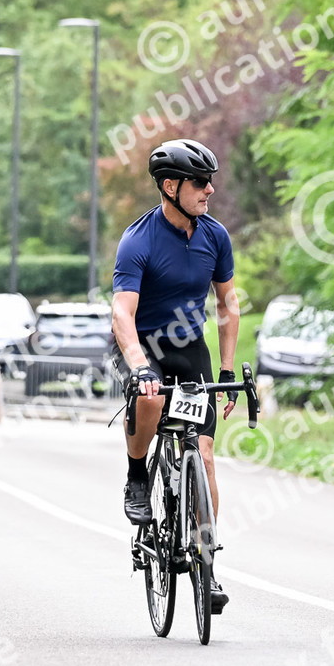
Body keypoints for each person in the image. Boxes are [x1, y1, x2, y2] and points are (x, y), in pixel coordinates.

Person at [112, 139, 239, 615]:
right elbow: (121, 314)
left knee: (203, 456)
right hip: (143, 345)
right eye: (200, 182)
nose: (210, 190)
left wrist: (227, 369)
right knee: (150, 399)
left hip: (188, 350)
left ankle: (207, 563)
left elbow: (227, 304)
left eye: (210, 181)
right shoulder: (138, 240)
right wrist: (140, 366)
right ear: (170, 186)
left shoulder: (215, 236)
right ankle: (137, 475)